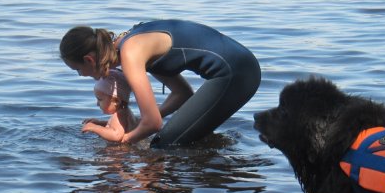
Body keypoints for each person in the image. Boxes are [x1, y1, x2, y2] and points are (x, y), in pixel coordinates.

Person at [59, 19, 261, 148]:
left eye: (77, 70)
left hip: (237, 73)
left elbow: (153, 123)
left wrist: (123, 142)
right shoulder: (130, 41)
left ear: (89, 60)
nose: (80, 75)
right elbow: (182, 94)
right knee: (180, 136)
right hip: (241, 66)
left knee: (162, 144)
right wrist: (138, 122)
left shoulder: (130, 53)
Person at [82, 68, 138, 143]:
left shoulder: (119, 115)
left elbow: (116, 135)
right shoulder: (125, 111)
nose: (97, 104)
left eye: (100, 99)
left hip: (119, 153)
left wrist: (95, 128)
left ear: (116, 101)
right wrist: (99, 123)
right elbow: (118, 127)